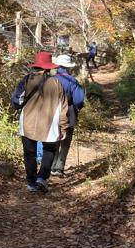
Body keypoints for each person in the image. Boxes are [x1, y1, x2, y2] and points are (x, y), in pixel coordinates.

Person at [11, 51, 69, 193]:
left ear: (36, 65)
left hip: (27, 122)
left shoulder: (26, 80)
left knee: (29, 153)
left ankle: (31, 183)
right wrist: (64, 127)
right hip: (50, 124)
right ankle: (42, 178)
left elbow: (16, 101)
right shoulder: (57, 83)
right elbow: (63, 107)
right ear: (49, 67)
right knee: (49, 150)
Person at [50, 54, 85, 177]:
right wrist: (77, 108)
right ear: (68, 67)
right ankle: (59, 168)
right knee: (66, 140)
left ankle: (51, 165)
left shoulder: (51, 79)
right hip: (69, 111)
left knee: (54, 138)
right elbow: (79, 100)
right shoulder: (73, 81)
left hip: (51, 111)